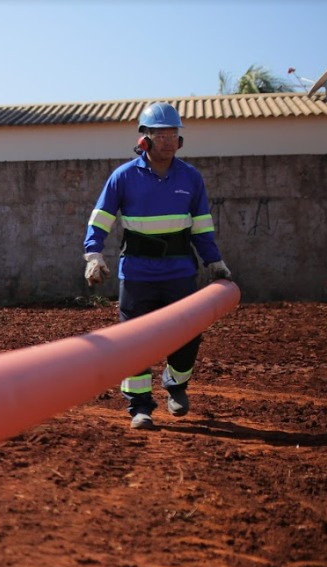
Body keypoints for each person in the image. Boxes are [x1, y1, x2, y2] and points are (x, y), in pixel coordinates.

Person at [82, 101, 233, 430]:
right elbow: (101, 220)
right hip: (137, 274)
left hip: (179, 272)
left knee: (188, 335)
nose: (167, 140)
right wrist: (93, 255)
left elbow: (202, 227)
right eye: (160, 134)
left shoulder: (190, 178)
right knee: (132, 341)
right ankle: (140, 406)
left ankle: (176, 385)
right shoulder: (123, 177)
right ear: (144, 140)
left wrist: (215, 261)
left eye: (173, 134)